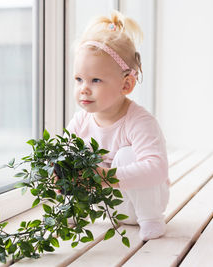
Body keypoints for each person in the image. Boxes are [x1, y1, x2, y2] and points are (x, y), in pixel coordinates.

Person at [65, 10, 170, 241]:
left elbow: (157, 169)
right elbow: (65, 160)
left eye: (95, 80)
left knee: (126, 154)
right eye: (79, 79)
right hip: (108, 208)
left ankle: (152, 220)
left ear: (126, 85)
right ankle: (71, 212)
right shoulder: (80, 121)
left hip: (145, 203)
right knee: (70, 157)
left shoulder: (139, 121)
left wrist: (105, 176)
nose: (84, 88)